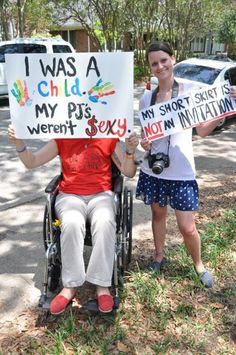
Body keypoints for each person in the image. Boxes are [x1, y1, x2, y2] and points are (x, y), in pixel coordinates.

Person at [8, 125, 139, 314]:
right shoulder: (63, 135)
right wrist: (19, 144)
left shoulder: (106, 135)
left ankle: (102, 285)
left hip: (101, 194)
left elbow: (128, 172)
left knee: (105, 220)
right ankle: (70, 285)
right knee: (71, 222)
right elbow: (32, 161)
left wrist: (130, 151)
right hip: (70, 196)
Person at [136, 41, 236, 288]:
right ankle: (159, 257)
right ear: (150, 67)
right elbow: (144, 137)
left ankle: (199, 264)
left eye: (163, 60)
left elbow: (202, 131)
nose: (160, 66)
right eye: (154, 63)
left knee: (187, 227)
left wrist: (223, 110)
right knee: (157, 215)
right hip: (154, 170)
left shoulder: (190, 92)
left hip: (181, 172)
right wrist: (144, 142)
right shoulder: (146, 98)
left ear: (173, 59)